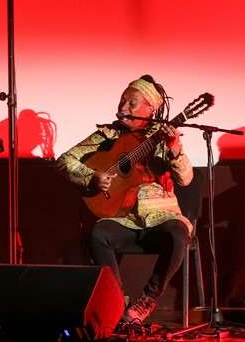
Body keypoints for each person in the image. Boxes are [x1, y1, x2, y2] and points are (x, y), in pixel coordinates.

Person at [57, 75, 194, 327]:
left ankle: (147, 300)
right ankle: (118, 301)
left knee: (179, 232)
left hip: (161, 219)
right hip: (123, 218)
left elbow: (185, 179)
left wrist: (175, 149)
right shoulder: (107, 135)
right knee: (99, 234)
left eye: (132, 103)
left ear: (150, 110)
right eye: (122, 101)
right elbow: (65, 160)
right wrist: (92, 176)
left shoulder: (162, 137)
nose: (124, 107)